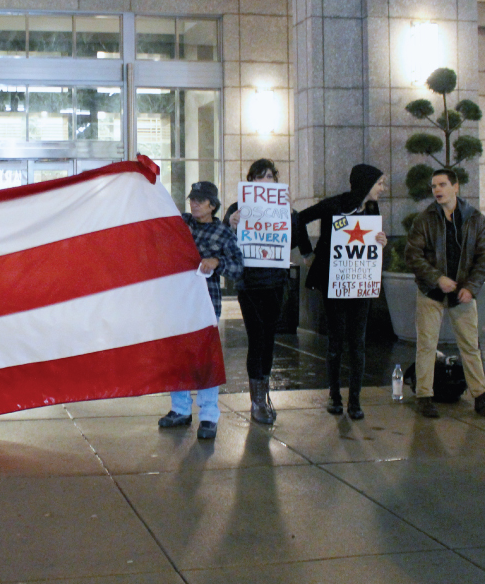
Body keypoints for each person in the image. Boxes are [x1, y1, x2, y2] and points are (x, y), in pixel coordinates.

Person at [223, 159, 313, 425]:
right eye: (259, 177)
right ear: (250, 181)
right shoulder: (237, 208)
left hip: (276, 282)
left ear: (276, 181)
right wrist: (231, 222)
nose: (265, 181)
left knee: (269, 340)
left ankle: (263, 394)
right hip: (249, 284)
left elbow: (298, 241)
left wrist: (289, 210)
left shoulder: (286, 208)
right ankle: (257, 402)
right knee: (257, 339)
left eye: (269, 177)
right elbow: (226, 241)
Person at [297, 164, 387, 420]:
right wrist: (308, 253)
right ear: (366, 183)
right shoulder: (333, 205)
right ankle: (334, 395)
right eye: (379, 183)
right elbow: (299, 218)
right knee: (336, 340)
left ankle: (355, 401)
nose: (383, 188)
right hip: (334, 282)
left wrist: (381, 241)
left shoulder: (371, 208)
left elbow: (370, 243)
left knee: (358, 342)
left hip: (359, 283)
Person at [405, 168, 485, 419]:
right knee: (426, 346)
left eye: (442, 185)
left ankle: (480, 395)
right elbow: (412, 255)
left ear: (456, 187)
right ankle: (424, 396)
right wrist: (436, 278)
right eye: (434, 186)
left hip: (462, 292)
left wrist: (471, 287)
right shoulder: (424, 219)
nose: (437, 190)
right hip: (431, 292)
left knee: (470, 346)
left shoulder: (476, 219)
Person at [158, 181, 243, 440]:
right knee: (177, 357)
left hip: (207, 303)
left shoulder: (222, 232)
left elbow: (238, 266)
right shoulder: (181, 223)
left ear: (212, 206)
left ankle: (209, 415)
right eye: (192, 198)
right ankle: (180, 409)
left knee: (206, 360)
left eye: (200, 200)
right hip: (177, 303)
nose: (194, 203)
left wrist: (216, 262)